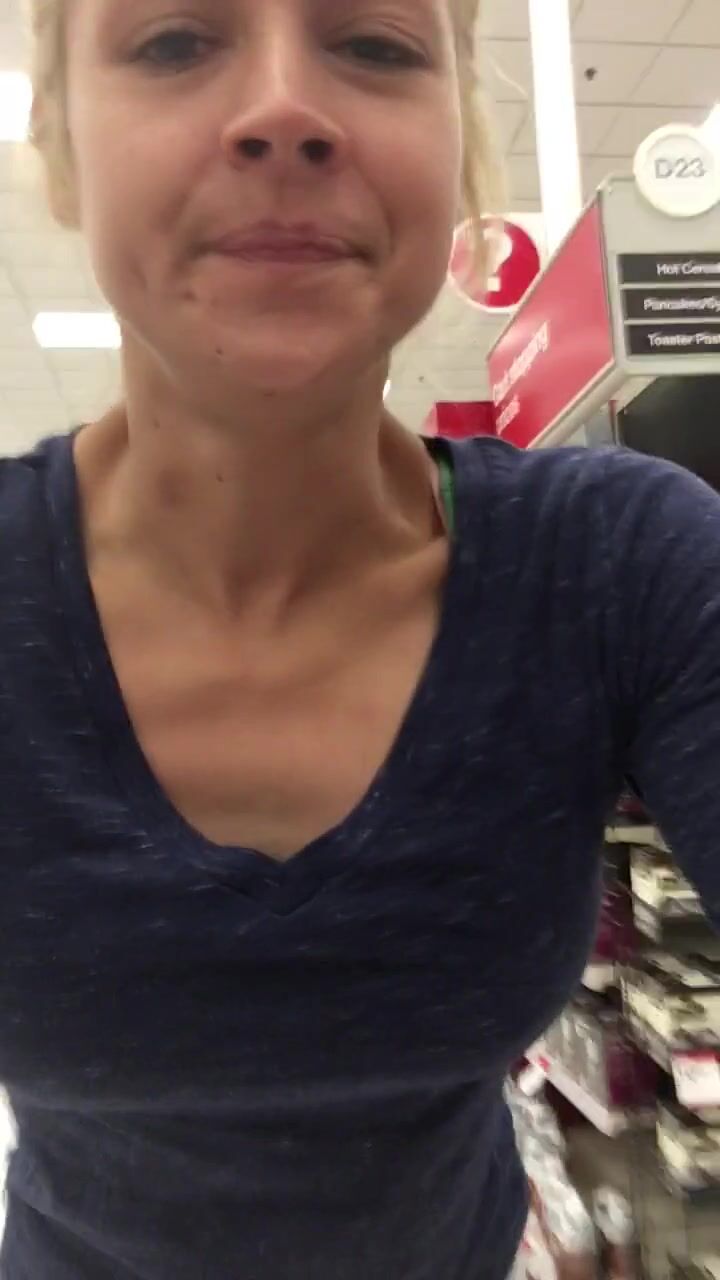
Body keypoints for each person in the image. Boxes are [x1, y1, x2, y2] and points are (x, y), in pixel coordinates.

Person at [0, 0, 718, 1276]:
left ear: (458, 148)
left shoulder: (618, 564)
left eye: (376, 44)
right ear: (57, 145)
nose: (284, 109)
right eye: (174, 42)